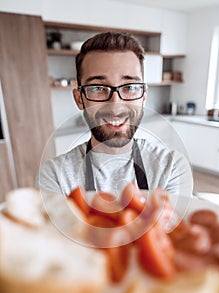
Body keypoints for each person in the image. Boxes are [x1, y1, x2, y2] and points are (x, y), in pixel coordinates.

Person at [38, 31, 193, 197]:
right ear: (79, 99)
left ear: (143, 97)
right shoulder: (55, 176)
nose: (115, 106)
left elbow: (174, 222)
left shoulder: (171, 167)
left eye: (130, 87)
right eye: (98, 88)